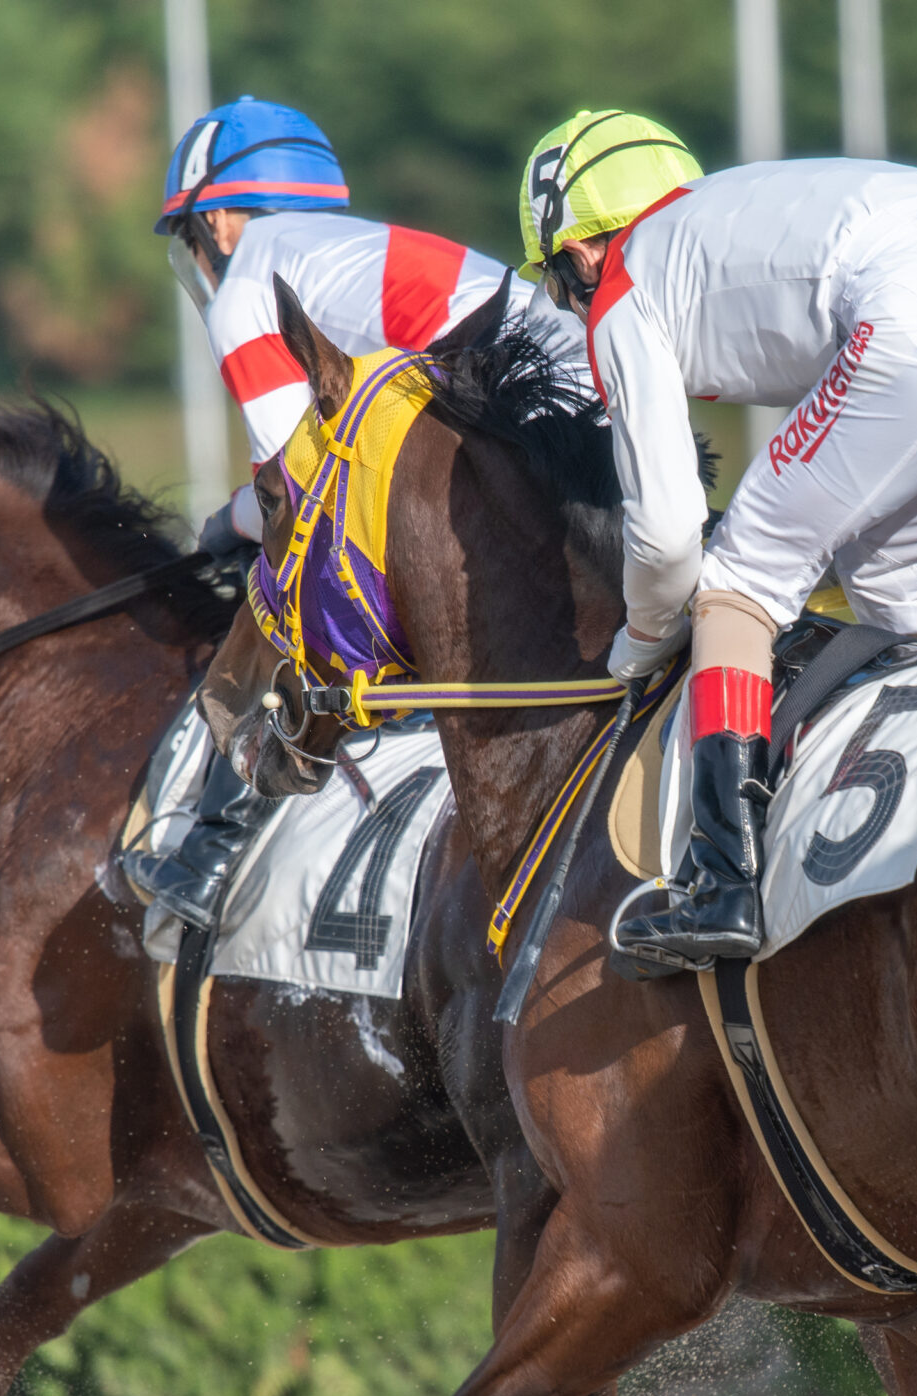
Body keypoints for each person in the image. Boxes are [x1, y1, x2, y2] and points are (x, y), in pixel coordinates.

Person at [517, 110, 917, 972]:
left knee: (739, 578)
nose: (573, 307)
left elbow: (669, 535)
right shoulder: (720, 215)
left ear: (578, 254)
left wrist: (640, 643)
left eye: (561, 285)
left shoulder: (623, 284)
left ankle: (721, 881)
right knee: (901, 585)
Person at [131, 97, 584, 931]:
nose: (200, 259)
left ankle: (210, 851)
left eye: (193, 239)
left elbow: (290, 497)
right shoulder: (335, 250)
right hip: (574, 395)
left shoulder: (248, 286)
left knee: (282, 579)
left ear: (222, 220)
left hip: (512, 421)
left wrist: (221, 527)